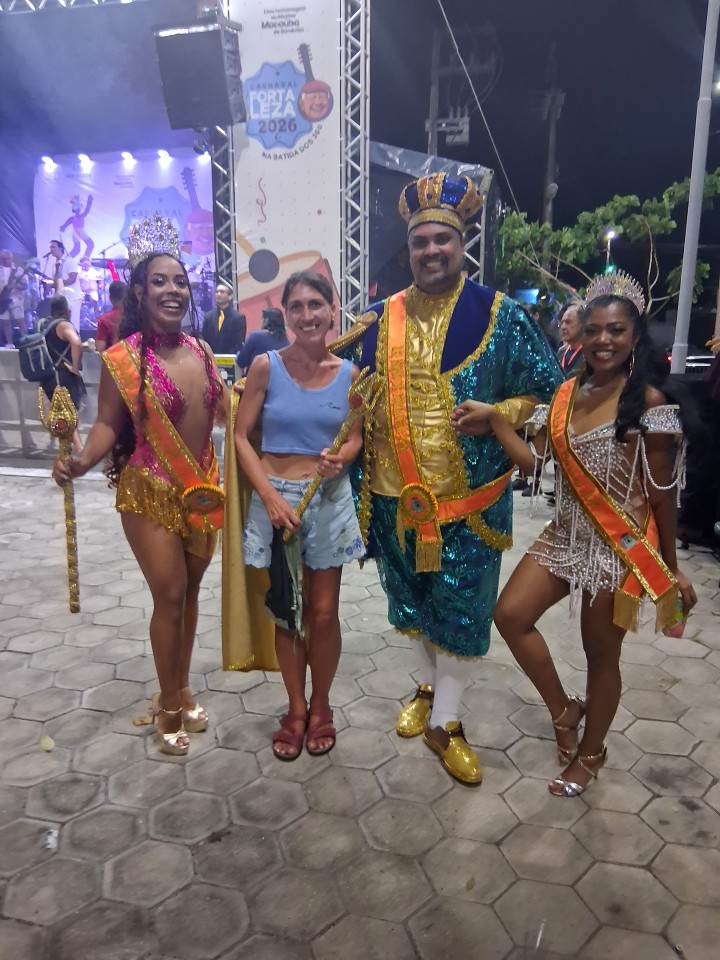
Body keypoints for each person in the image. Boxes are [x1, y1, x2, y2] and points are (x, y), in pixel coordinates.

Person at [334, 173, 564, 784]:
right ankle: (427, 689)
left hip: (466, 507)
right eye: (420, 242)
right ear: (409, 249)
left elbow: (549, 396)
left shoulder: (501, 315)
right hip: (389, 500)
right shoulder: (381, 319)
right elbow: (345, 393)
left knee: (462, 612)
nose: (431, 250)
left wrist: (498, 415)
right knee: (409, 606)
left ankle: (448, 723)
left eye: (442, 239)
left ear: (462, 244)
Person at [456, 271, 698, 797]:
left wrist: (671, 565)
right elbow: (532, 463)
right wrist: (498, 420)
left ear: (635, 336)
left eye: (615, 330)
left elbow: (662, 497)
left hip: (616, 548)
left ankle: (592, 753)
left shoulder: (651, 404)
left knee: (599, 657)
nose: (603, 340)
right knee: (510, 616)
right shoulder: (565, 395)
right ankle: (565, 712)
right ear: (579, 336)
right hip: (564, 534)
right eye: (593, 330)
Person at [52, 247, 226, 756]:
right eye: (160, 282)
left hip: (202, 486)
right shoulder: (123, 358)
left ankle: (183, 687)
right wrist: (82, 461)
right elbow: (108, 422)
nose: (173, 290)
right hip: (148, 490)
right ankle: (168, 705)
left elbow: (221, 414)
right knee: (170, 594)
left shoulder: (203, 349)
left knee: (191, 593)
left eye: (180, 281)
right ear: (140, 292)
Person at [234, 270, 365, 761]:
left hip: (328, 500)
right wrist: (268, 496)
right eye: (297, 307)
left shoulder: (351, 374)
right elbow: (242, 435)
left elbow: (353, 433)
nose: (307, 315)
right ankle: (294, 707)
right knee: (288, 612)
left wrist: (344, 457)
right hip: (276, 502)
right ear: (285, 314)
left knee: (324, 613)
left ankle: (323, 705)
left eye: (316, 304)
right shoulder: (266, 367)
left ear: (333, 310)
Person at [40, 295, 85, 453]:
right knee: (68, 414)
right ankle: (78, 449)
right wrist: (74, 367)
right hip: (64, 378)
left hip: (50, 378)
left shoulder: (46, 325)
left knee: (64, 415)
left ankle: (70, 451)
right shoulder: (64, 325)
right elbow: (76, 343)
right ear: (67, 310)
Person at [235, 307, 289, 374]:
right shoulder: (286, 342)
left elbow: (241, 362)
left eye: (261, 318)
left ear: (266, 321)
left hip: (255, 381)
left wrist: (238, 353)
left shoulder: (255, 336)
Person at [201, 283, 246, 355]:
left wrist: (225, 358)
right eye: (216, 292)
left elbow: (238, 343)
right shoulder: (208, 316)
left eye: (222, 292)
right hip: (211, 359)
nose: (218, 294)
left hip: (230, 360)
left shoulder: (238, 318)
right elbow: (204, 339)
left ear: (230, 296)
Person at [47, 239, 81, 331]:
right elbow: (56, 282)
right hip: (62, 299)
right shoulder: (54, 265)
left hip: (73, 297)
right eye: (50, 247)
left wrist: (59, 283)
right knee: (62, 324)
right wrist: (50, 285)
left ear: (61, 248)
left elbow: (72, 279)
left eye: (53, 247)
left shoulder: (69, 261)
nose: (51, 249)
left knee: (73, 324)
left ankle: (76, 342)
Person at [0, 249, 28, 346]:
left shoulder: (18, 270)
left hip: (16, 299)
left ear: (11, 258)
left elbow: (25, 286)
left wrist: (16, 286)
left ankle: (26, 341)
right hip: (3, 300)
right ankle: (9, 343)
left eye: (6, 259)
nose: (4, 261)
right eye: (2, 259)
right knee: (5, 322)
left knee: (20, 320)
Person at [95, 280, 127, 352]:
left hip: (114, 361)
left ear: (110, 298)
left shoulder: (104, 320)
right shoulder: (135, 316)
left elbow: (100, 348)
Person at [556, 300, 585, 376]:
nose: (563, 327)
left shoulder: (589, 354)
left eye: (568, 322)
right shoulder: (561, 351)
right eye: (562, 323)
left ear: (582, 324)